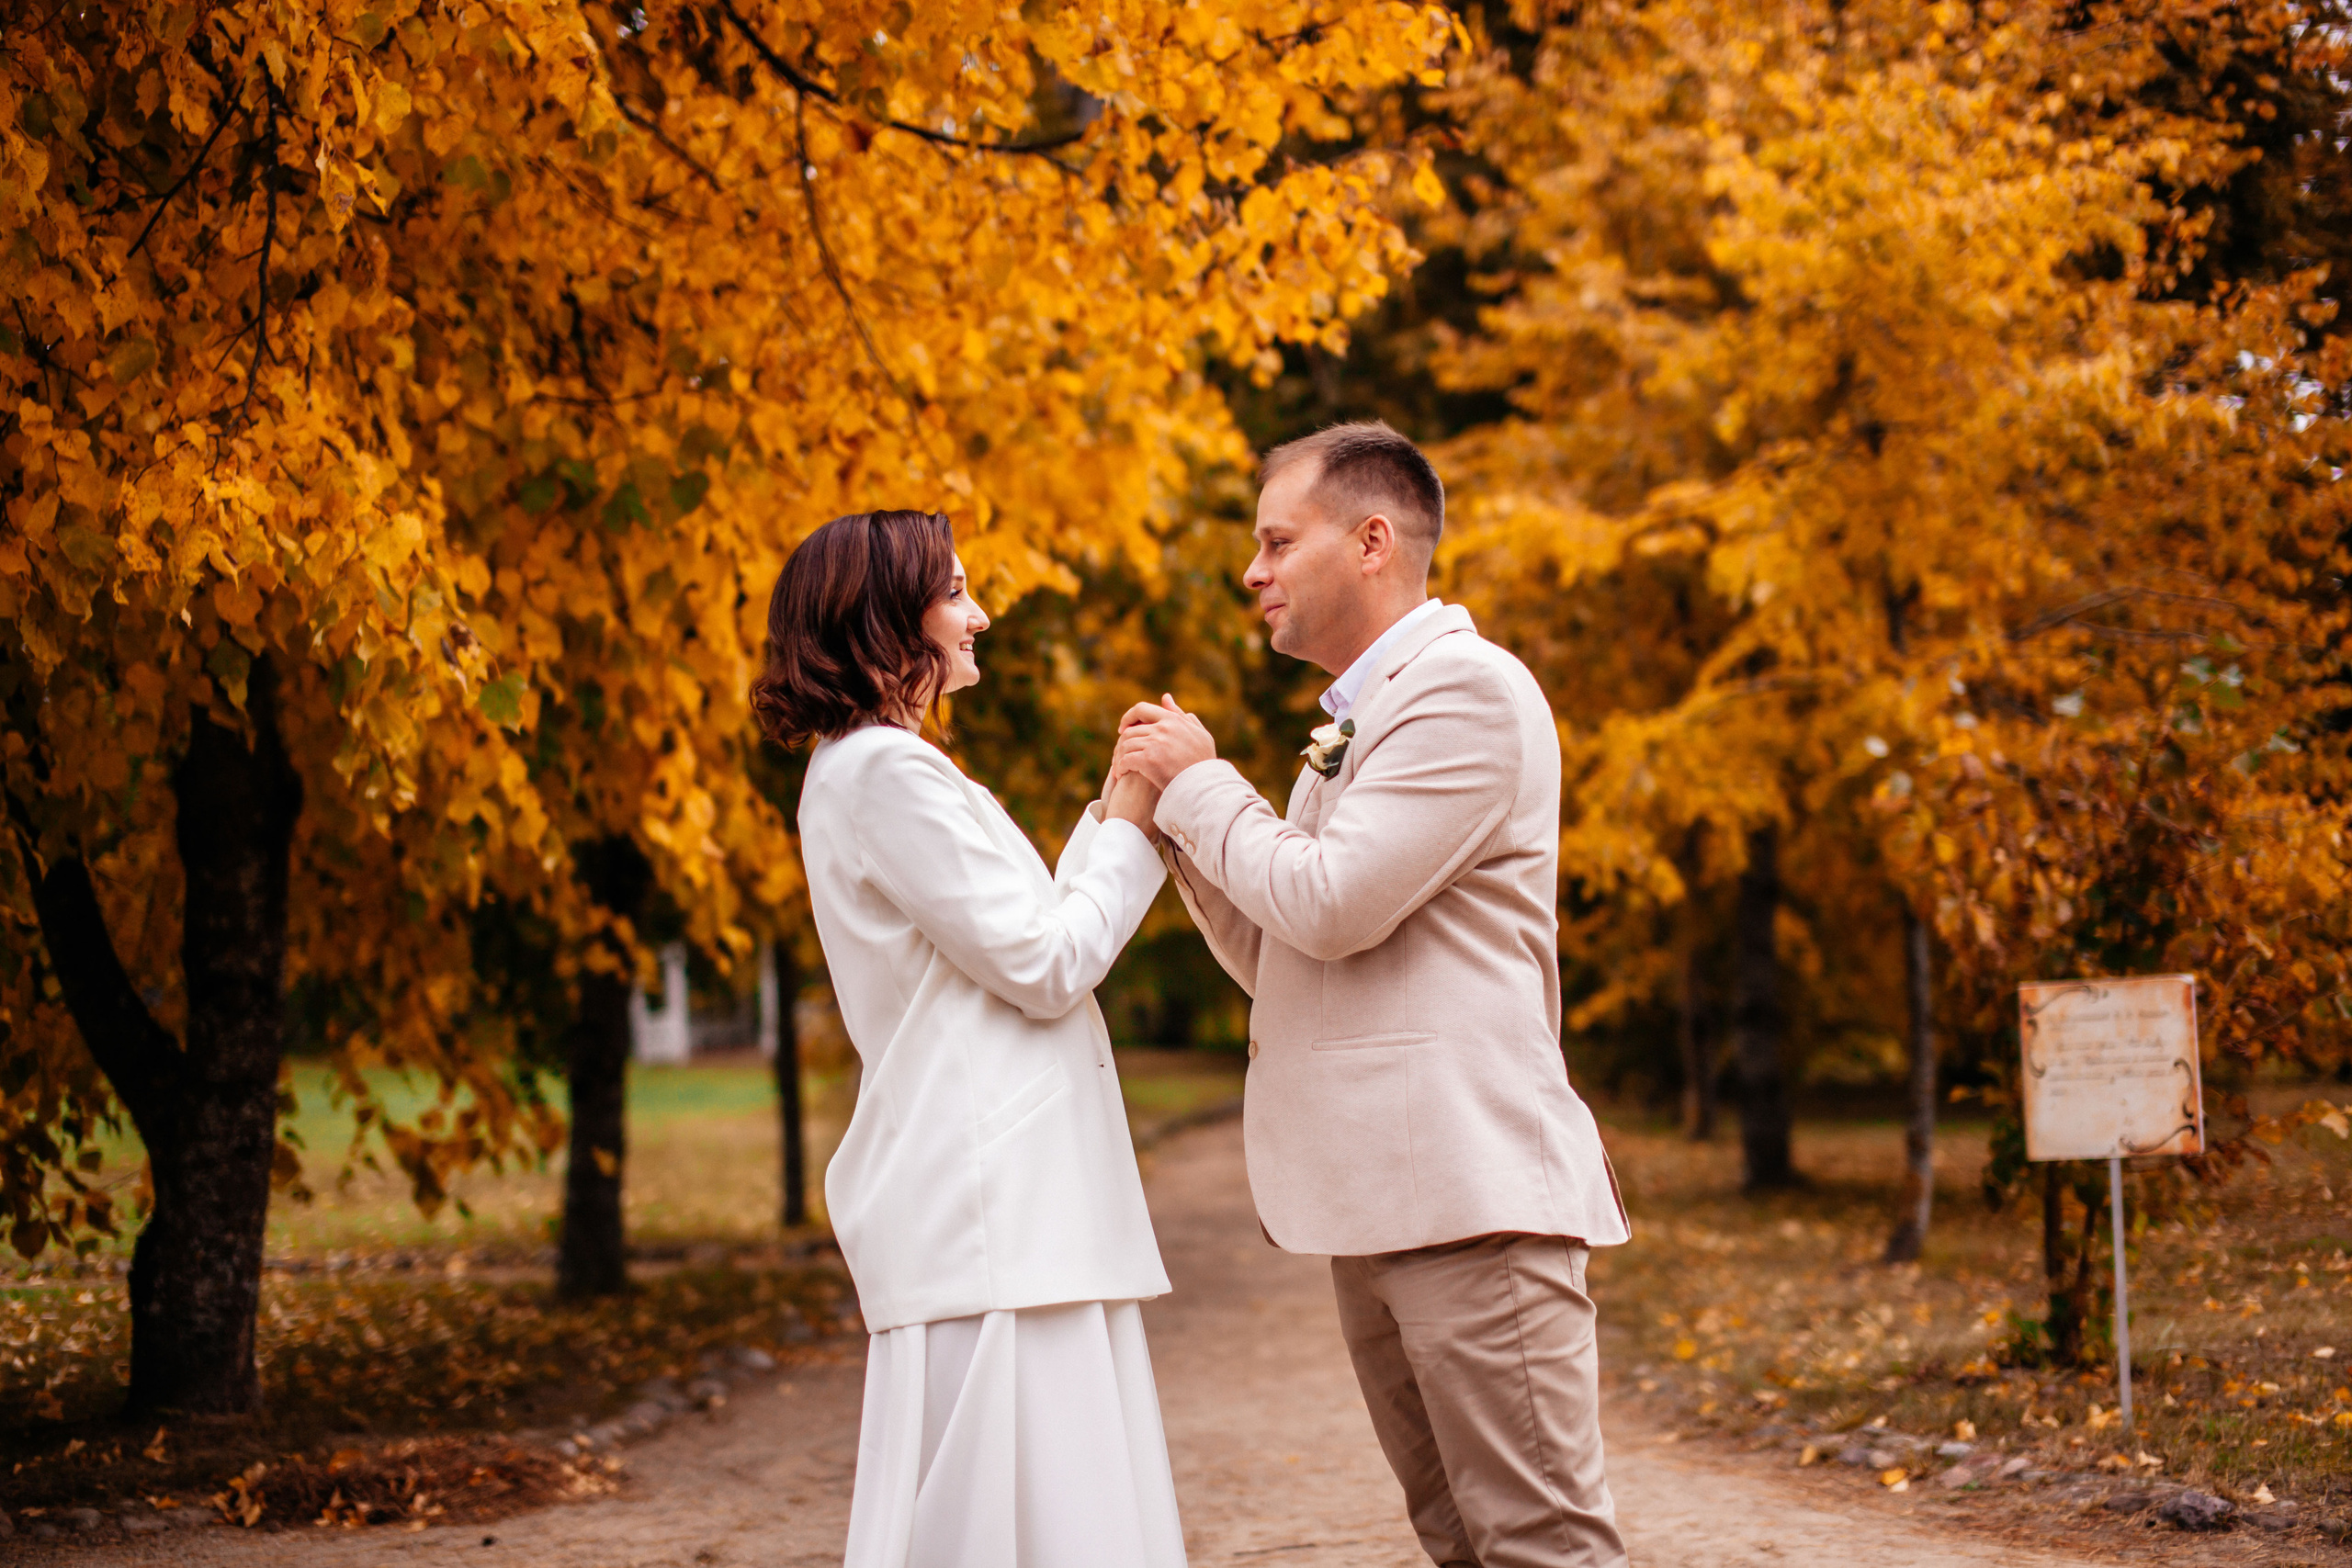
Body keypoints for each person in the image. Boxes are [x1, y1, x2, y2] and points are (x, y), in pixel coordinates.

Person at [1114, 423, 1633, 1568]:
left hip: (1470, 1202)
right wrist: (1171, 830)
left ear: (1371, 541)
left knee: (1541, 1545)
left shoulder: (1466, 693)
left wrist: (1202, 784)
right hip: (1383, 1204)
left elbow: (1335, 901)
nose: (1251, 572)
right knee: (1456, 1537)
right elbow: (1293, 954)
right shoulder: (1355, 727)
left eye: (1274, 540)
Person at [752, 509, 1186, 1568]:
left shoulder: (880, 770)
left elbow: (1026, 937)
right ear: (884, 620)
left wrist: (1124, 802)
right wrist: (1138, 810)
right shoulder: (884, 775)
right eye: (954, 593)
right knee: (1024, 1526)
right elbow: (1047, 967)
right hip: (993, 1214)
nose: (977, 613)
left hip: (1008, 1210)